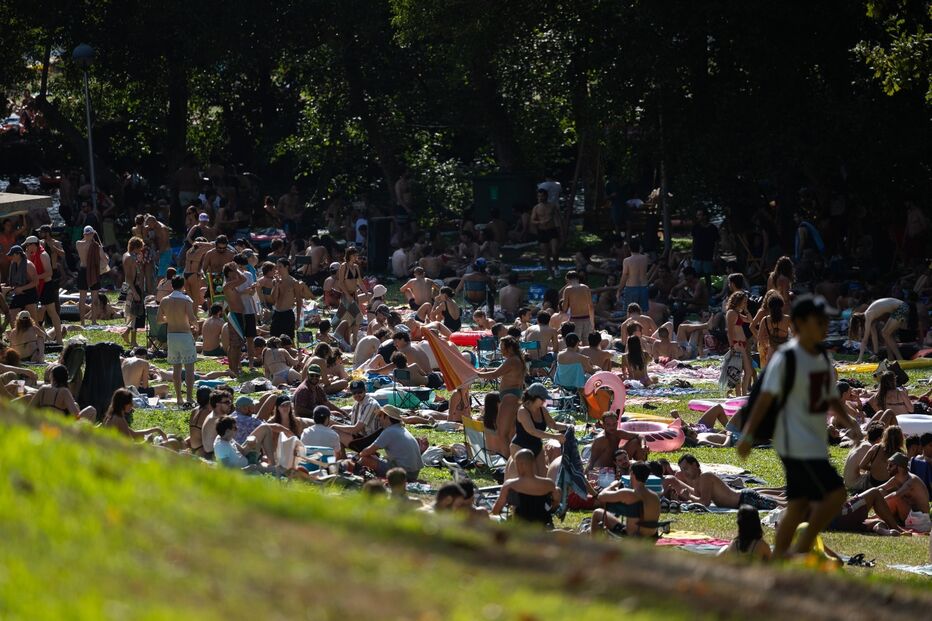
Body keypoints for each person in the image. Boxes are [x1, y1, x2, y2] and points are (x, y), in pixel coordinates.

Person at [738, 295, 863, 558]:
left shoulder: (821, 359)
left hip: (813, 440)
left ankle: (782, 558)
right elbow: (765, 398)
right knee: (837, 494)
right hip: (793, 440)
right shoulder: (786, 358)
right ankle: (799, 548)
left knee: (798, 505)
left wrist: (851, 422)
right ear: (802, 324)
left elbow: (830, 397)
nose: (825, 327)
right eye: (820, 321)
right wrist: (748, 433)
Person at [676, 454, 782, 510]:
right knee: (778, 505)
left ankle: (797, 507)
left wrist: (689, 496)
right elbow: (698, 501)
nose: (684, 473)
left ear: (694, 464)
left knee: (779, 506)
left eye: (686, 468)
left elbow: (705, 502)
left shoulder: (705, 477)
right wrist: (684, 499)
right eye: (682, 470)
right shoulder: (696, 481)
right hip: (742, 501)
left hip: (745, 499)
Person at [475, 336, 526, 452]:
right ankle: (511, 459)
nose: (501, 350)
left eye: (502, 348)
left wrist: (476, 374)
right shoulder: (517, 359)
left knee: (502, 434)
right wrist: (484, 371)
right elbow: (497, 371)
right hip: (513, 395)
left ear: (510, 348)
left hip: (509, 397)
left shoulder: (512, 360)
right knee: (511, 432)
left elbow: (494, 375)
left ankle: (507, 460)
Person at [156, 275, 199, 407]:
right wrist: (196, 325)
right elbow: (192, 318)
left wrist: (169, 319)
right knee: (189, 368)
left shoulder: (164, 300)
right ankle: (190, 398)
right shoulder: (186, 300)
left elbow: (159, 320)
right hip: (184, 335)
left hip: (172, 335)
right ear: (183, 285)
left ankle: (179, 398)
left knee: (176, 369)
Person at [589, 461, 662, 537]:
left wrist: (611, 486)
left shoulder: (628, 494)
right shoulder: (655, 496)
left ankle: (593, 545)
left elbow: (601, 496)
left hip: (632, 537)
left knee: (597, 512)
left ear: (632, 474)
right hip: (651, 537)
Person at [492, 448, 561, 528]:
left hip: (521, 528)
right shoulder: (549, 484)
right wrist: (548, 510)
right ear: (533, 463)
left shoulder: (510, 485)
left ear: (520, 464)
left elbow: (497, 508)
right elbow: (556, 502)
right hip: (543, 525)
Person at [509, 383, 567, 477]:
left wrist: (567, 426)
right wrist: (555, 437)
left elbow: (553, 424)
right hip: (521, 447)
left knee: (544, 476)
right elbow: (532, 431)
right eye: (542, 399)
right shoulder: (523, 411)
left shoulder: (542, 409)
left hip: (537, 446)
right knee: (533, 476)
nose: (544, 401)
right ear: (533, 397)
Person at [354, 406, 423, 482]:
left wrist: (358, 456)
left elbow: (367, 451)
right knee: (376, 457)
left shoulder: (389, 431)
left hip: (404, 474)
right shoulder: (401, 428)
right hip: (414, 473)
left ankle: (356, 476)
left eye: (380, 416)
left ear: (386, 417)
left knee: (365, 460)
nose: (379, 418)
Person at [851, 297, 910, 363]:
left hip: (902, 308)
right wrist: (876, 354)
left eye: (859, 326)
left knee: (885, 333)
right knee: (885, 333)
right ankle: (890, 357)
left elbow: (865, 340)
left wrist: (859, 358)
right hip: (900, 307)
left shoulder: (868, 316)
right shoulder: (871, 315)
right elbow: (874, 336)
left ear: (859, 322)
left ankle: (900, 358)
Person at [28, 364, 95, 420]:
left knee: (76, 405)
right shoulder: (64, 391)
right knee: (91, 410)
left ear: (52, 377)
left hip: (42, 424)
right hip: (59, 428)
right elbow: (75, 415)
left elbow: (29, 409)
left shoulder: (43, 389)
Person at [102, 388, 168, 442]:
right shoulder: (120, 419)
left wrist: (156, 429)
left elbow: (134, 433)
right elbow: (131, 446)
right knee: (172, 442)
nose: (132, 405)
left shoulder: (112, 416)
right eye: (130, 403)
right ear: (124, 404)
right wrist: (146, 442)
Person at [331, 379, 382, 449]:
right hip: (362, 435)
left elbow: (356, 429)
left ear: (365, 391)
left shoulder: (370, 404)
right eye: (354, 393)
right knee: (335, 427)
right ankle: (342, 456)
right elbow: (353, 425)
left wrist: (335, 426)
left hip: (370, 439)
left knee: (334, 431)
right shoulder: (357, 404)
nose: (357, 395)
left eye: (359, 392)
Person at [75, 226, 108, 326]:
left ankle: (84, 322)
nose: (89, 236)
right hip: (92, 271)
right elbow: (105, 260)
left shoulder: (79, 244)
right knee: (89, 298)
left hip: (85, 270)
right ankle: (91, 321)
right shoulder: (96, 246)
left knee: (87, 298)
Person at [335, 247, 364, 348]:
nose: (356, 257)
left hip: (354, 295)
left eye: (356, 255)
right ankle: (350, 341)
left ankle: (354, 341)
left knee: (353, 319)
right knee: (356, 317)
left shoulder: (356, 267)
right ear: (349, 255)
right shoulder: (344, 266)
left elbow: (359, 281)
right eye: (354, 255)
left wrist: (366, 292)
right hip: (346, 296)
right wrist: (347, 295)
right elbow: (341, 282)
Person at [530, 188, 560, 277]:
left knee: (554, 251)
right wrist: (540, 222)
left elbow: (558, 218)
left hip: (552, 230)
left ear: (546, 196)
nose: (540, 198)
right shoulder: (536, 208)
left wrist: (561, 230)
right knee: (546, 255)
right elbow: (532, 220)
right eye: (539, 196)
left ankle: (556, 267)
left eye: (542, 196)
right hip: (542, 231)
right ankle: (550, 273)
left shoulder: (552, 206)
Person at [757, 294, 792, 369]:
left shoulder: (765, 320)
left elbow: (759, 338)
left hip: (771, 351)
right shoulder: (787, 319)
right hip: (785, 350)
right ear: (781, 305)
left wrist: (765, 347)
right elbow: (796, 334)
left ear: (769, 306)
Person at [7, 245, 38, 322]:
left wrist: (21, 288)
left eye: (13, 255)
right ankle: (18, 333)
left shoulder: (28, 265)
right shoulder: (13, 264)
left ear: (18, 254)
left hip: (29, 294)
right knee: (11, 317)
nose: (11, 257)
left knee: (33, 321)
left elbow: (35, 282)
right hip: (18, 293)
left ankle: (41, 334)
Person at [561, 271, 594, 341]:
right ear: (577, 279)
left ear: (567, 280)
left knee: (575, 343)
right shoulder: (586, 288)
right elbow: (591, 306)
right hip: (587, 319)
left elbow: (564, 308)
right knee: (587, 342)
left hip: (575, 320)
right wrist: (592, 321)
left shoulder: (568, 290)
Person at [619, 238, 649, 312]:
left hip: (631, 287)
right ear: (639, 247)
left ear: (629, 248)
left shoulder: (627, 260)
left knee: (630, 312)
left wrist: (619, 289)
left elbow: (625, 275)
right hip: (643, 287)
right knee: (643, 312)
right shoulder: (645, 258)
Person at [691, 208, 719, 287]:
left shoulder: (713, 228)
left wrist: (715, 255)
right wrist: (692, 254)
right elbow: (693, 241)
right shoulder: (695, 227)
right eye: (697, 215)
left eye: (700, 215)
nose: (698, 217)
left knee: (708, 276)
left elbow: (716, 243)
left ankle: (709, 292)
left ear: (705, 216)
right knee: (695, 275)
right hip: (697, 255)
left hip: (708, 256)